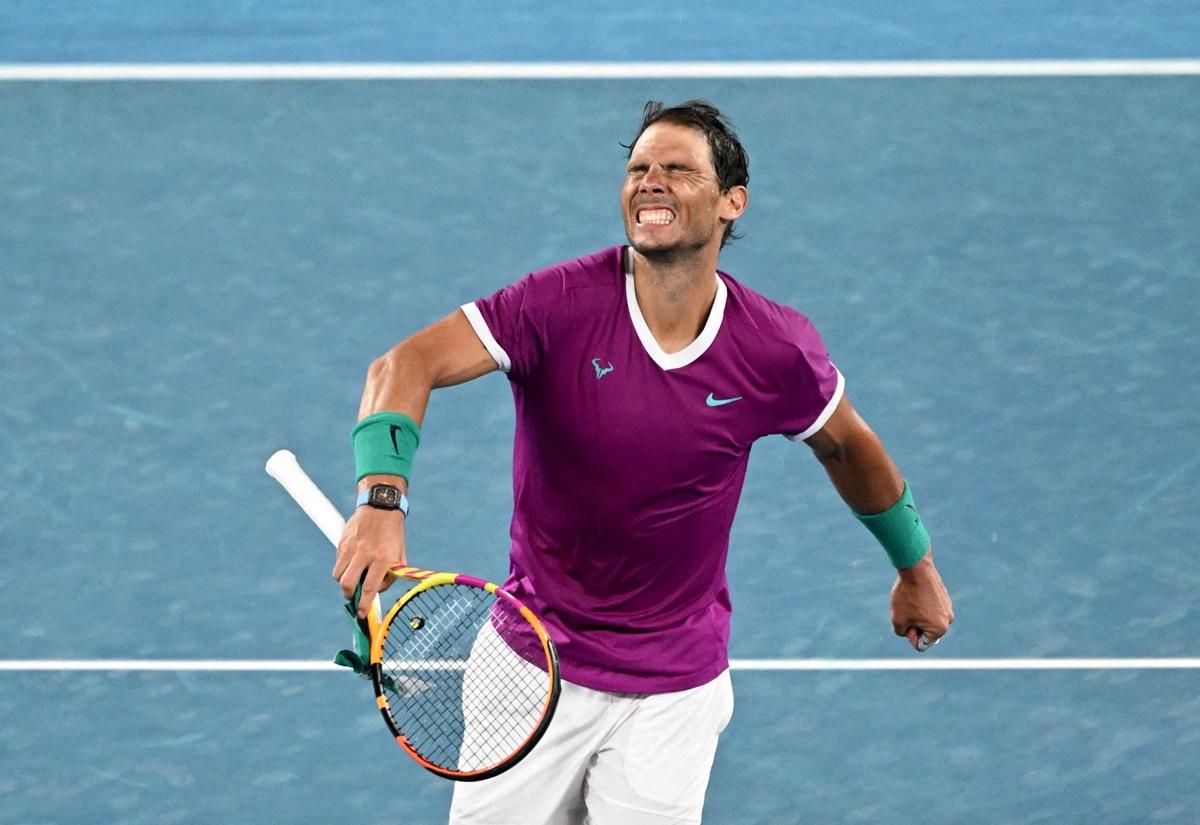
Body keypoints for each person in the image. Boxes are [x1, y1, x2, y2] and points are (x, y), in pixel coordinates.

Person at [333, 100, 954, 825]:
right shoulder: (556, 305)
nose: (651, 181)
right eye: (638, 169)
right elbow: (404, 364)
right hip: (530, 668)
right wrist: (380, 503)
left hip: (673, 692)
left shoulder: (774, 349)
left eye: (677, 170)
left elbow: (848, 445)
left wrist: (916, 567)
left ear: (731, 203)